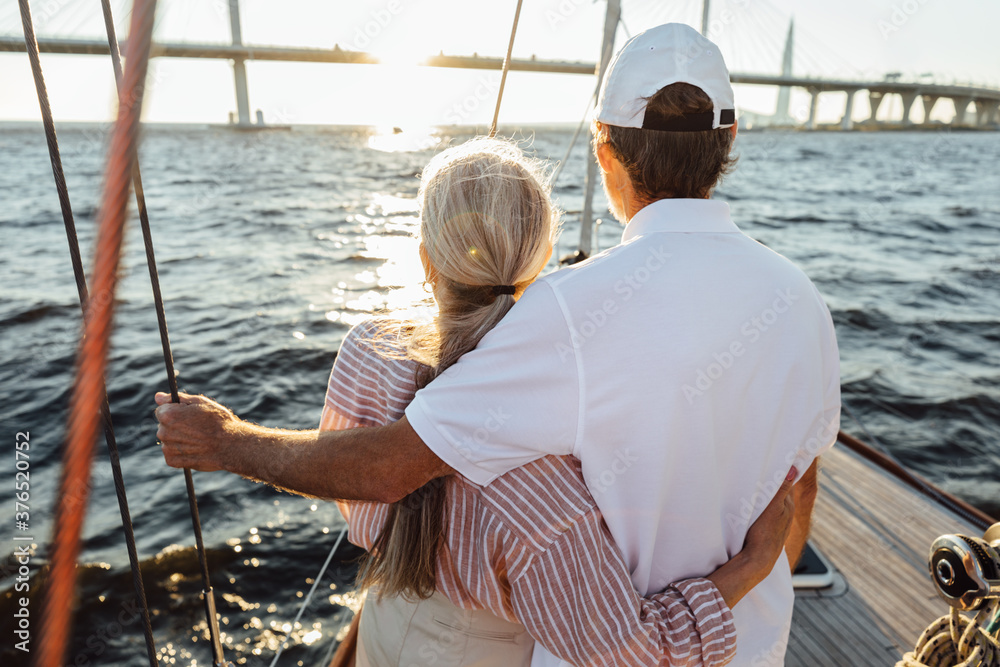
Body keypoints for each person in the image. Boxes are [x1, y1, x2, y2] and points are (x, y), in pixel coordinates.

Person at [156, 23, 840, 667]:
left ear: (604, 149)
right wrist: (752, 571)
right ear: (729, 139)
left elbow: (396, 466)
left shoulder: (568, 309)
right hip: (751, 641)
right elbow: (798, 486)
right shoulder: (803, 300)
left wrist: (226, 440)